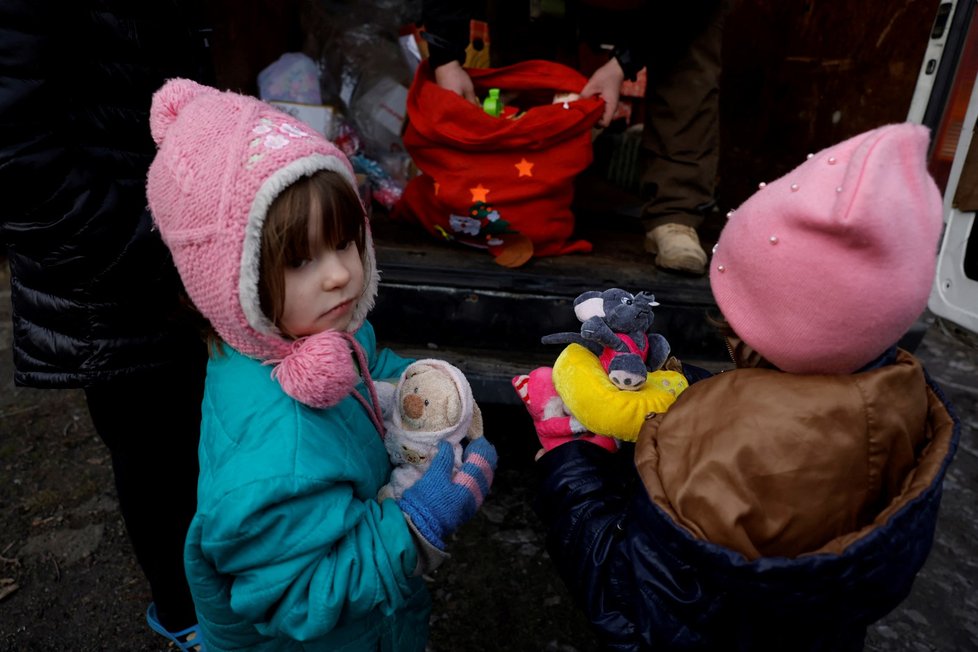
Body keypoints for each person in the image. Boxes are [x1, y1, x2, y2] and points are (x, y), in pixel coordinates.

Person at [528, 123, 961, 650]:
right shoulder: (904, 408)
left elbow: (633, 603)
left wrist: (570, 465)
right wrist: (697, 392)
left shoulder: (726, 457)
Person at [145, 78, 498, 651]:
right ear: (231, 284)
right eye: (301, 258)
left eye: (344, 241)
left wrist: (419, 393)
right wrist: (415, 525)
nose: (338, 274)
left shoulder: (314, 330)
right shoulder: (278, 453)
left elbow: (370, 364)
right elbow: (300, 595)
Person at [0, 2, 213, 649]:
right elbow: (16, 155)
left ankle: (221, 604)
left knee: (202, 436)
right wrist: (150, 246)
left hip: (174, 243)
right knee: (156, 453)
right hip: (115, 258)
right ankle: (187, 619)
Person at [420, 0, 728, 275]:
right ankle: (520, 201)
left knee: (690, 55)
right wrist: (445, 57)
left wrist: (622, 65)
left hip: (672, 8)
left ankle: (675, 215)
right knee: (530, 55)